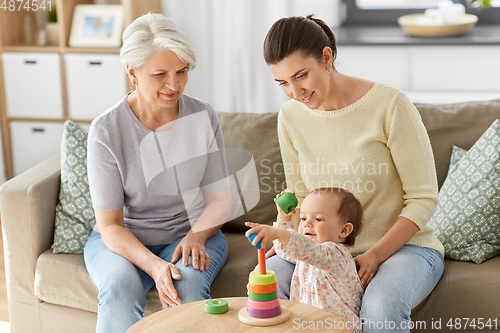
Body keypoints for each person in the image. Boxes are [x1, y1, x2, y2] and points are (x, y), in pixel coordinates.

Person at [262, 15, 445, 333]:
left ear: (327, 57)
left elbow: (423, 199)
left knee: (380, 309)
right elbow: (302, 199)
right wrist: (285, 229)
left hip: (402, 249)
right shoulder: (290, 116)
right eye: (282, 83)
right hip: (324, 250)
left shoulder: (389, 104)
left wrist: (373, 256)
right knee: (266, 283)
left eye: (301, 76)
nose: (294, 91)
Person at [84, 13, 231, 333]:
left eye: (181, 71)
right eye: (160, 74)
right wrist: (154, 266)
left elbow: (220, 200)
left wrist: (196, 236)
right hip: (122, 239)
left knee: (187, 285)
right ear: (132, 72)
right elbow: (109, 226)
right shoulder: (106, 131)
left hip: (190, 232)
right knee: (120, 288)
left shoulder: (203, 115)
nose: (173, 84)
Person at [246, 188, 363, 332]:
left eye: (318, 219)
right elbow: (285, 251)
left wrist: (279, 233)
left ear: (344, 231)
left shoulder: (336, 255)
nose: (307, 224)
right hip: (311, 325)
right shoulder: (306, 255)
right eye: (303, 218)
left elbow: (307, 249)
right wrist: (283, 218)